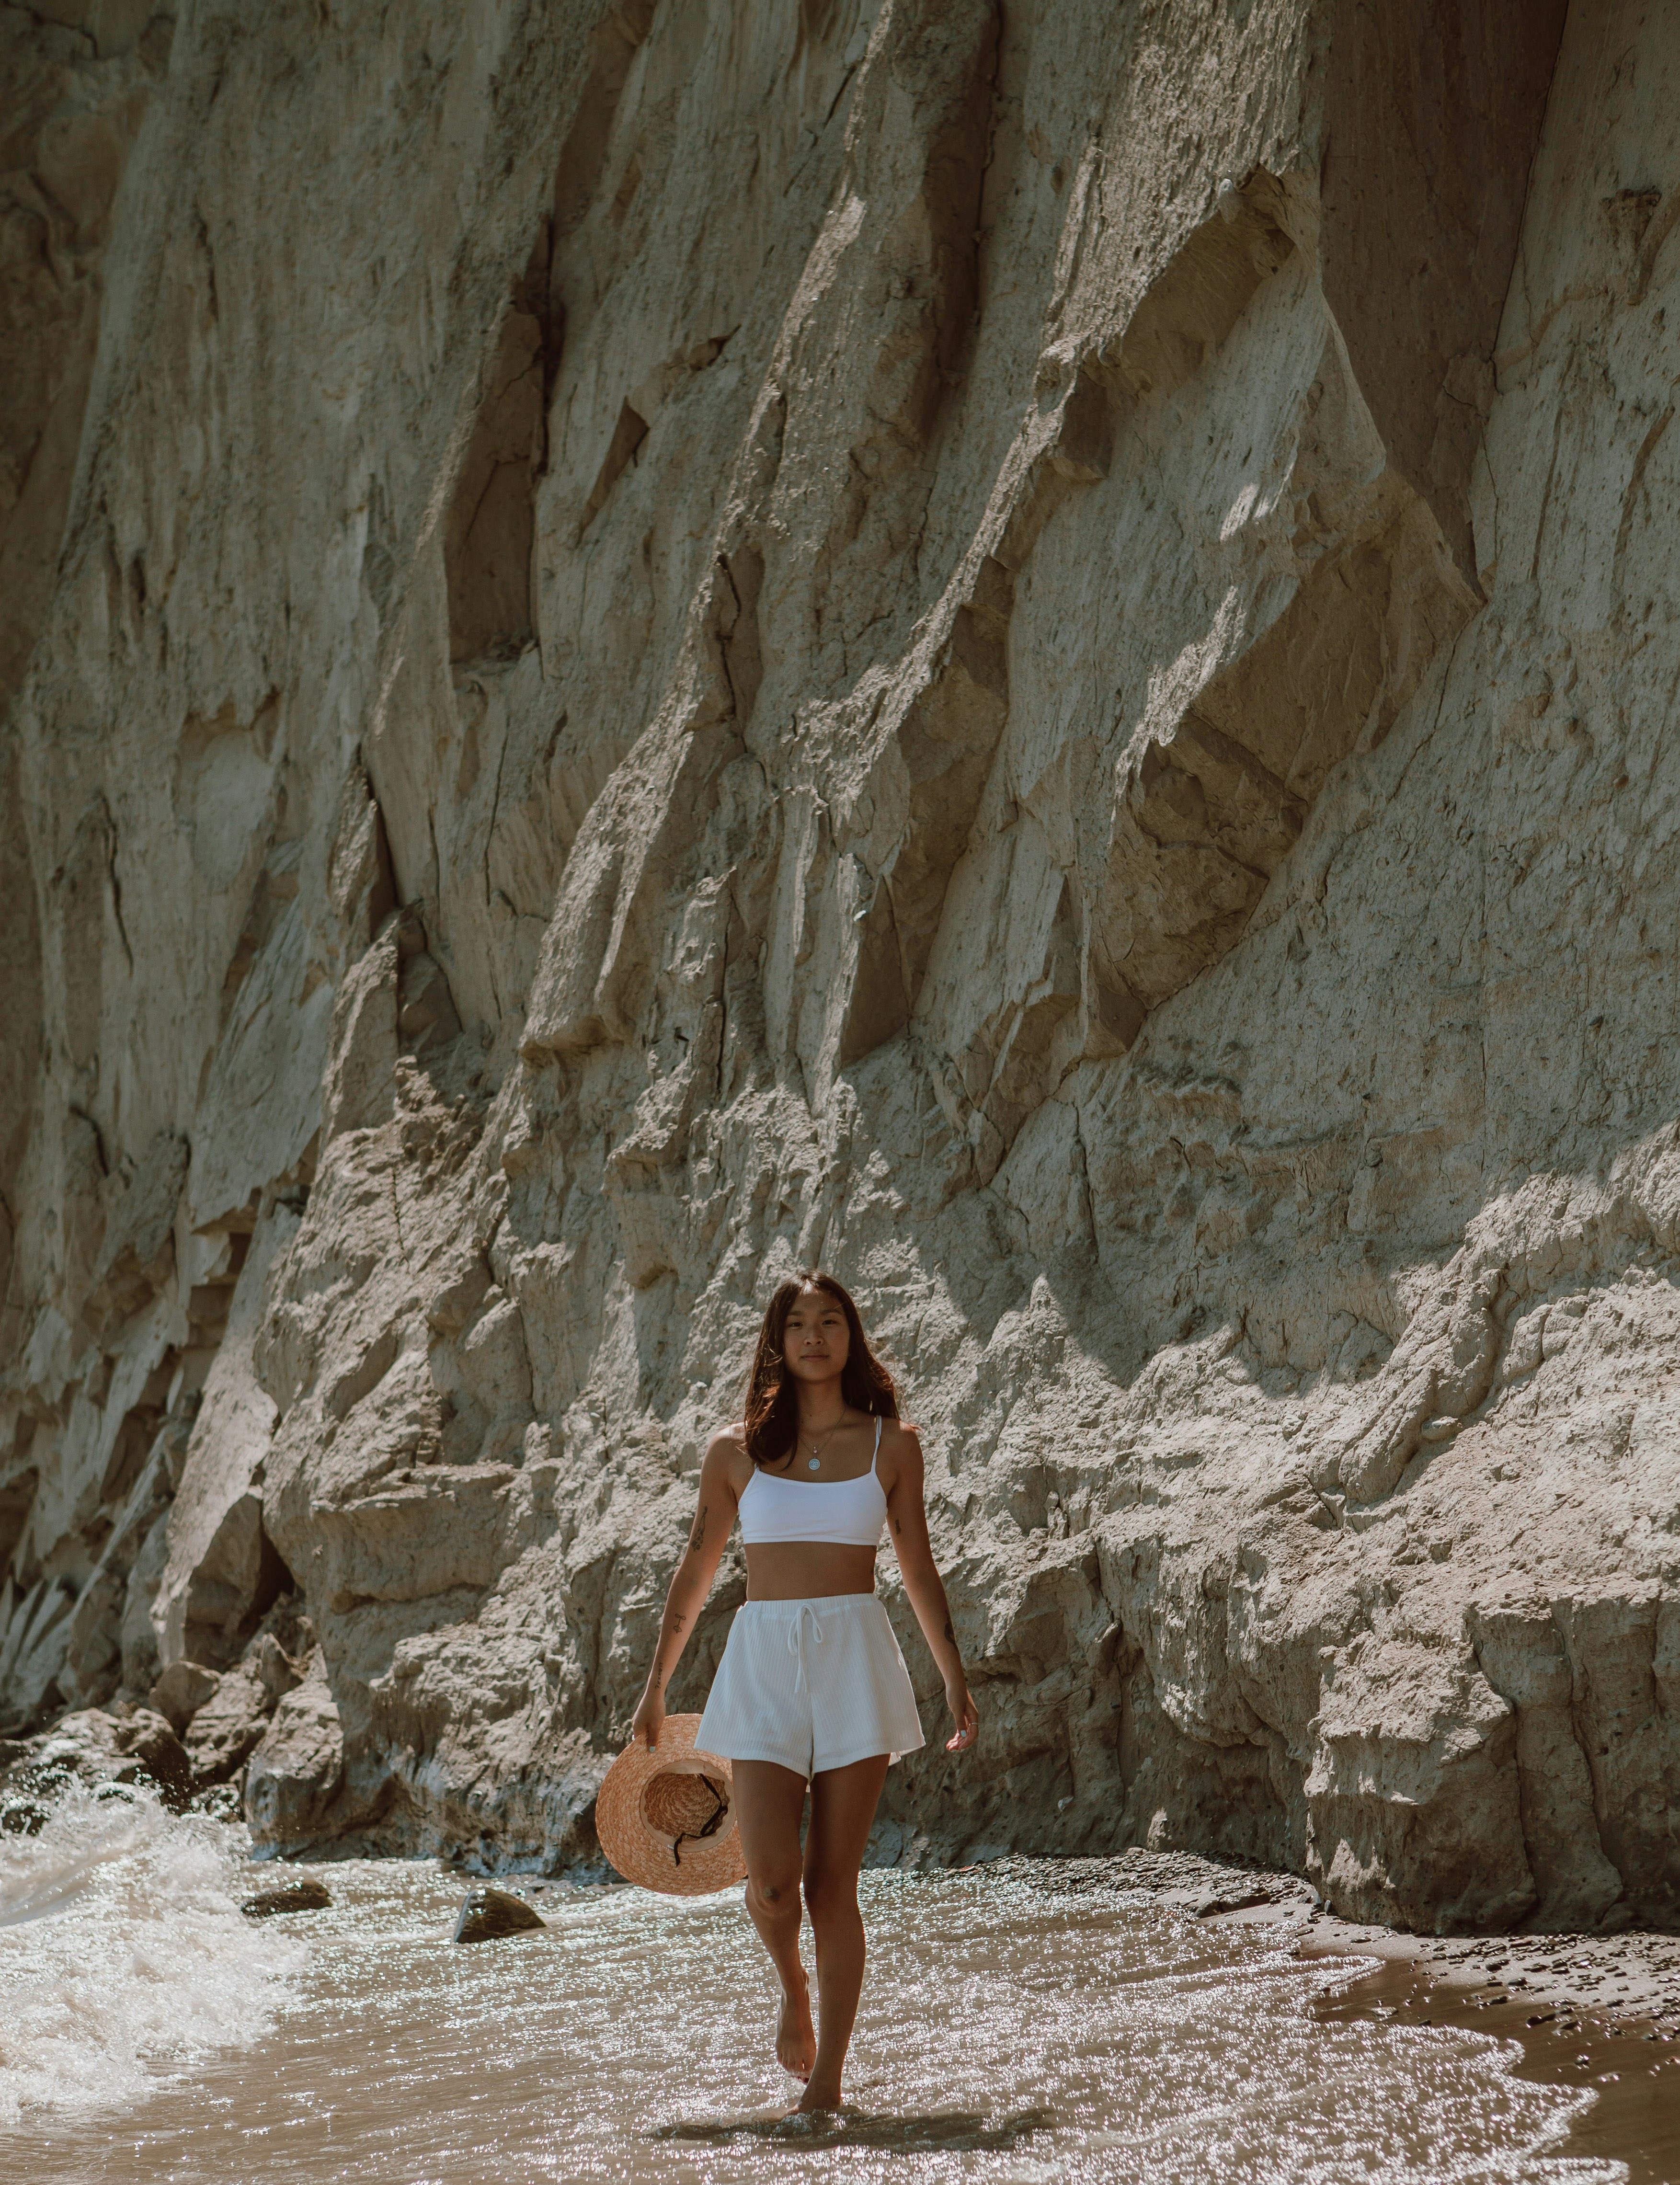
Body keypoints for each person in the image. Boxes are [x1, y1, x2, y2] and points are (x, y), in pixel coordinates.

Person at [630, 1270, 978, 2114]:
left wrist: (952, 1675)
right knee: (775, 1883)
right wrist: (656, 1684)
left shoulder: (893, 1444)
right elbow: (698, 1569)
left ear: (851, 1336)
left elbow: (918, 1566)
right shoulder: (736, 1454)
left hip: (855, 1659)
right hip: (763, 1663)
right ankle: (793, 1988)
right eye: (798, 1323)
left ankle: (826, 2085)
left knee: (832, 1887)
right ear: (777, 1342)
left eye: (830, 1321)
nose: (815, 1335)